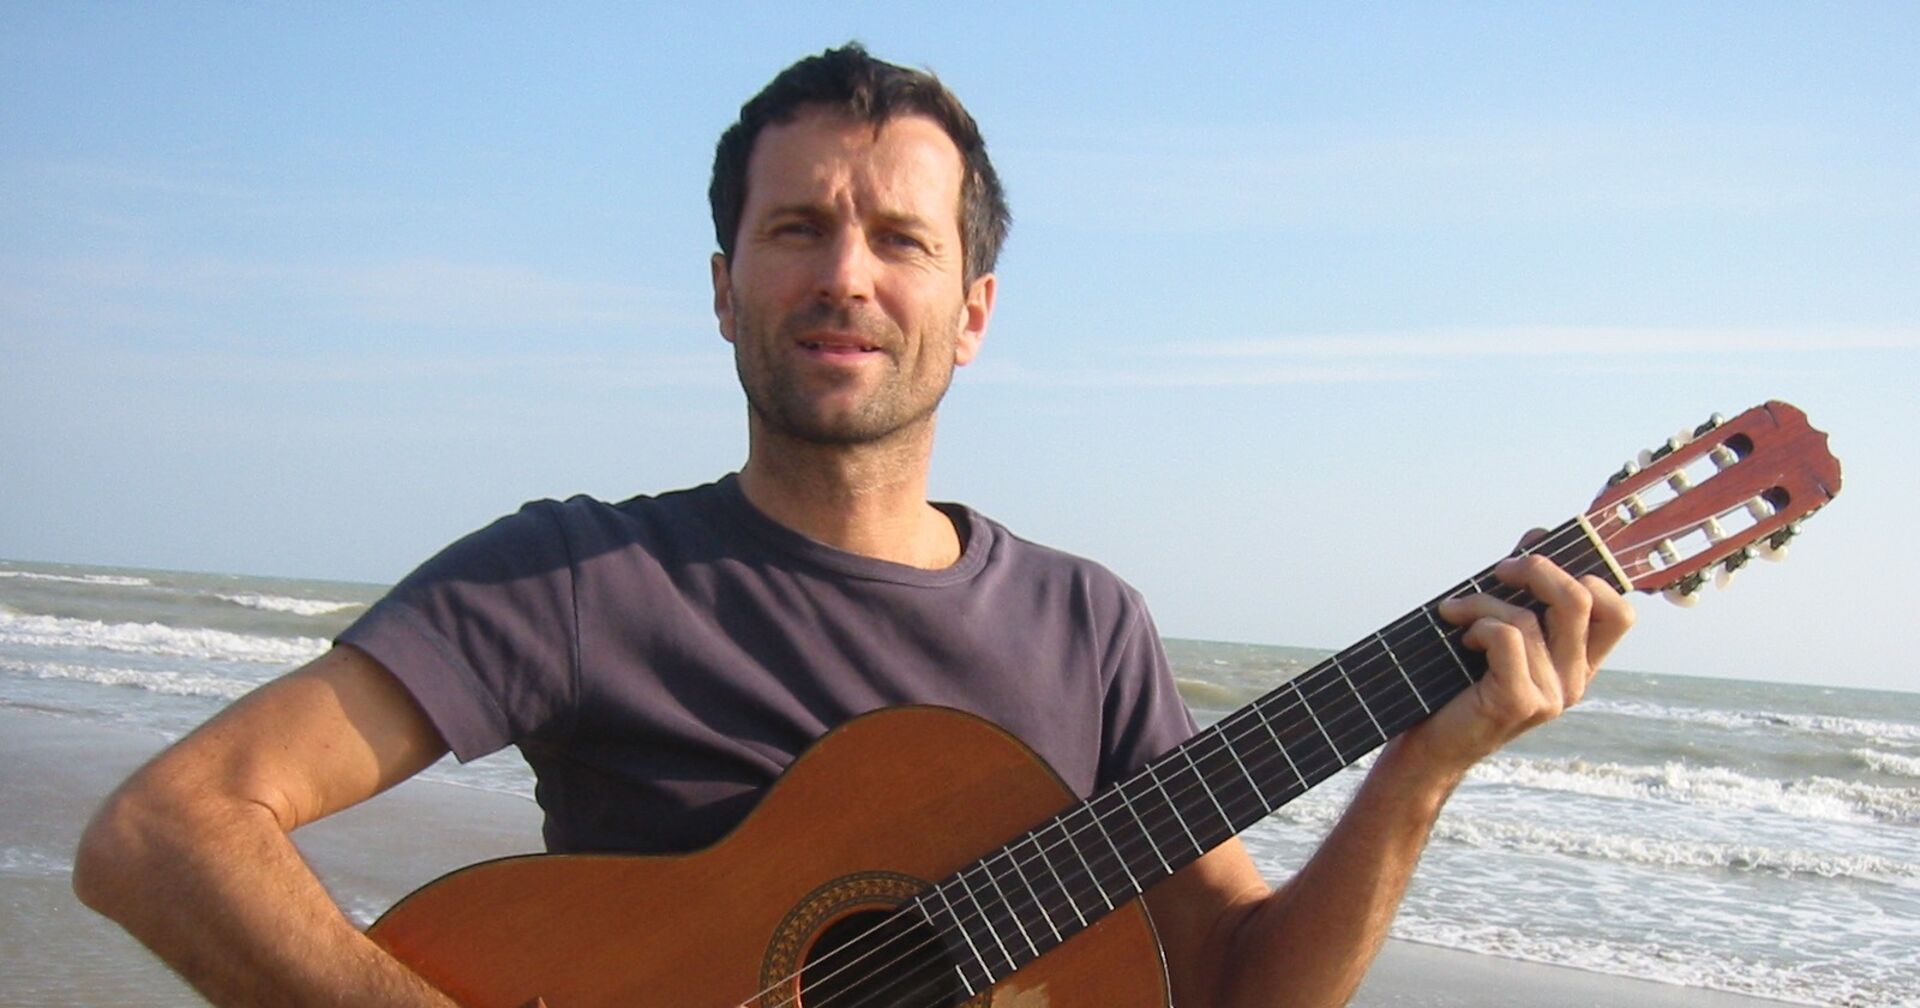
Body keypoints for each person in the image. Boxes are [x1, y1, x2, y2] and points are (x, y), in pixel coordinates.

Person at [74, 44, 1634, 1008]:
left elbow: (1234, 992)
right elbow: (165, 833)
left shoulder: (1087, 627)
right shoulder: (576, 577)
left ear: (974, 311)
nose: (847, 274)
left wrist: (1418, 770)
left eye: (901, 236)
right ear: (722, 285)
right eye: (797, 227)